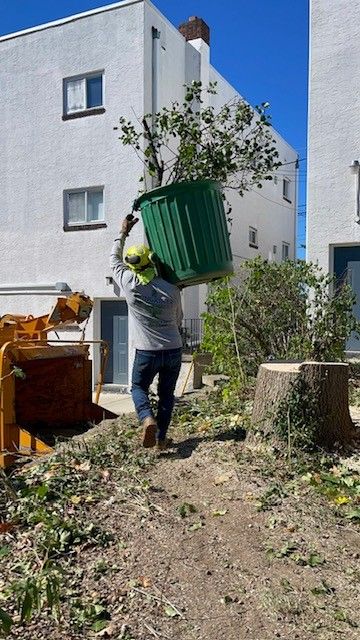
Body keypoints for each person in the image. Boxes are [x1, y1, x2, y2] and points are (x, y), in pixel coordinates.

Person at [110, 215, 183, 450]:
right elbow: (179, 318)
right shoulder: (172, 288)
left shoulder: (128, 282)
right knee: (167, 396)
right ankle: (161, 439)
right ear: (151, 261)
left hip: (147, 352)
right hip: (173, 349)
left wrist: (123, 232)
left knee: (138, 388)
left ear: (131, 265)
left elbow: (113, 259)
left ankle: (146, 418)